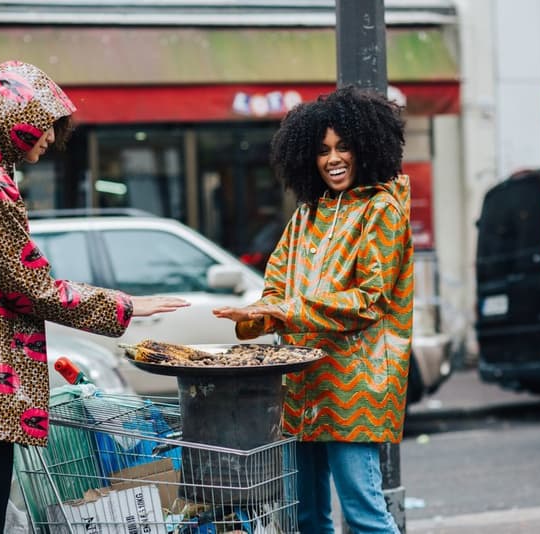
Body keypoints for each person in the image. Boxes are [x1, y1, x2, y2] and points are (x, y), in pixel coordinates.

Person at [0, 61, 189, 534]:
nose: (48, 142)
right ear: (16, 120)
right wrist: (125, 305)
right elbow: (29, 286)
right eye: (43, 129)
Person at [213, 85, 412, 534]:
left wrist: (284, 313)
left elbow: (369, 300)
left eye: (343, 147)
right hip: (302, 385)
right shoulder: (307, 214)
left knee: (363, 513)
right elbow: (278, 288)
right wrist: (255, 315)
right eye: (322, 151)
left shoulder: (383, 210)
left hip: (354, 385)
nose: (333, 159)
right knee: (306, 516)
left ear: (367, 147)